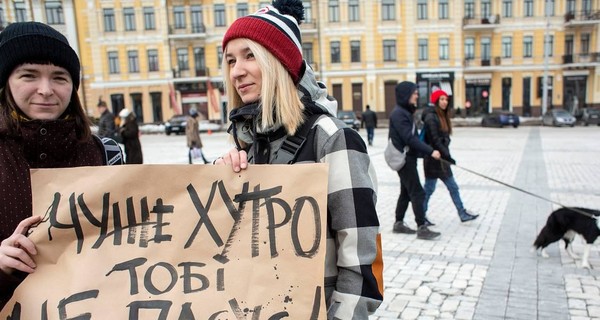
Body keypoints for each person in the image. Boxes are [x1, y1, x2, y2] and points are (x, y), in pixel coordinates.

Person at [215, 1, 383, 318]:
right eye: (231, 60)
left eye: (250, 55)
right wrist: (221, 185)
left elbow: (361, 263)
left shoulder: (333, 139)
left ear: (278, 61)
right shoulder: (248, 145)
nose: (237, 71)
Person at [0, 21, 122, 308]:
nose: (46, 89)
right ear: (5, 81)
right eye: (28, 75)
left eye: (59, 77)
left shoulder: (104, 154)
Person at [389, 81, 443, 240]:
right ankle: (422, 227)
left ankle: (398, 223)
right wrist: (430, 151)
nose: (417, 95)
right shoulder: (399, 114)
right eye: (414, 93)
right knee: (417, 192)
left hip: (408, 158)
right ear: (406, 95)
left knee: (406, 192)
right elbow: (409, 138)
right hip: (404, 159)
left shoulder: (405, 111)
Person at [421, 90, 478, 224]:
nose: (445, 102)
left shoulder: (441, 116)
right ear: (436, 101)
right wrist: (448, 157)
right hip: (434, 160)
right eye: (441, 99)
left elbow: (442, 140)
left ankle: (461, 213)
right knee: (430, 189)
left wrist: (447, 156)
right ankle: (421, 216)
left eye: (446, 99)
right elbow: (435, 140)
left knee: (450, 187)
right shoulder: (431, 117)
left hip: (441, 160)